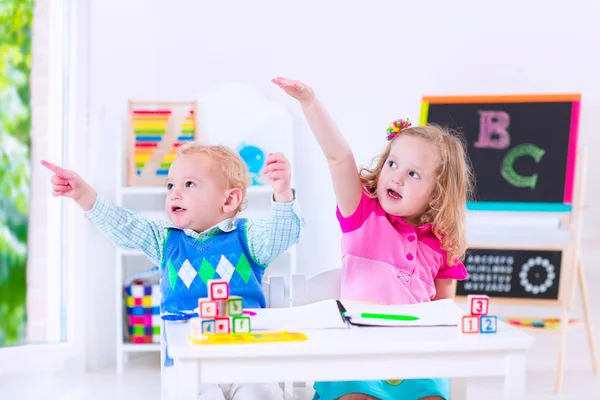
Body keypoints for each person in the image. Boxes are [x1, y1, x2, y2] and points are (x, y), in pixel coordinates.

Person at [42, 142, 305, 400]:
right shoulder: (165, 240)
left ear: (229, 199)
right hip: (189, 364)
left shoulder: (247, 237)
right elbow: (124, 225)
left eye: (189, 184)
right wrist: (84, 195)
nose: (174, 193)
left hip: (247, 361)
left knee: (262, 393)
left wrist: (282, 194)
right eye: (170, 185)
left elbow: (283, 235)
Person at [273, 77, 473, 400]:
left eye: (413, 174)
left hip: (416, 364)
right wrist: (309, 103)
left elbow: (443, 315)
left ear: (437, 196)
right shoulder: (363, 215)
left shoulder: (441, 244)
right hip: (355, 358)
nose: (395, 175)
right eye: (392, 163)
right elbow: (338, 157)